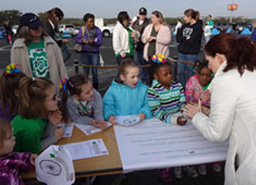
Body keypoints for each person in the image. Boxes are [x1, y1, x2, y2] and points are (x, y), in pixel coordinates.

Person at [183, 33, 256, 185]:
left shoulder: (224, 81)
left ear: (219, 58)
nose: (209, 66)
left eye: (209, 61)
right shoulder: (251, 71)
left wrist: (196, 115)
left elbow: (217, 134)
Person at [11, 13, 67, 89]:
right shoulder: (18, 47)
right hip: (31, 91)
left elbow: (61, 66)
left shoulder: (51, 42)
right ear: (25, 29)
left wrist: (64, 85)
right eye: (34, 27)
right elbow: (16, 72)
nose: (39, 29)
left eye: (40, 26)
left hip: (51, 88)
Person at [12, 77, 64, 154]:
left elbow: (39, 137)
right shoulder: (31, 127)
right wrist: (54, 137)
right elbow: (33, 151)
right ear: (39, 103)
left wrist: (51, 123)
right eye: (53, 98)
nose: (57, 99)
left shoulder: (38, 115)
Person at [103, 58, 152, 124]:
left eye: (138, 76)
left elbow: (150, 103)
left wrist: (144, 113)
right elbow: (107, 105)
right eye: (132, 77)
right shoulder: (113, 90)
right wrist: (110, 115)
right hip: (119, 124)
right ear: (123, 77)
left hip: (141, 124)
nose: (136, 80)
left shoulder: (144, 89)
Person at [147, 57, 187, 125]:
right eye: (165, 75)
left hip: (178, 116)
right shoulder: (153, 91)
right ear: (156, 76)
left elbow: (182, 104)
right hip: (161, 121)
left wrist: (185, 114)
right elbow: (157, 111)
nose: (169, 76)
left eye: (171, 73)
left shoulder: (178, 86)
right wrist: (173, 120)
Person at [0, 118, 37, 185]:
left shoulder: (4, 156)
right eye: (9, 137)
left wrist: (28, 158)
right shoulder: (3, 178)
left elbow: (13, 158)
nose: (14, 138)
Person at [141, 11, 171, 85]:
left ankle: (160, 88)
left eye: (153, 17)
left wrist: (156, 38)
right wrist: (146, 39)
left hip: (160, 55)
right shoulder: (149, 27)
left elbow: (167, 40)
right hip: (150, 54)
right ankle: (151, 89)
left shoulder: (165, 28)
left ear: (159, 18)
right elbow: (143, 38)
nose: (151, 19)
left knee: (159, 73)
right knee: (150, 73)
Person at [176, 9, 203, 88]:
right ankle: (183, 88)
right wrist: (185, 39)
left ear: (190, 17)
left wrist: (184, 39)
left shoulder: (198, 27)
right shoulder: (184, 26)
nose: (184, 18)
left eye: (185, 16)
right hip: (181, 52)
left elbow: (192, 41)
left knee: (190, 73)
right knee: (180, 72)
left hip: (191, 54)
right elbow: (178, 38)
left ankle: (190, 89)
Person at [76, 13, 102, 90]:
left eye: (93, 21)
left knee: (95, 72)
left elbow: (100, 42)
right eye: (90, 22)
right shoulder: (82, 29)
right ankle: (86, 88)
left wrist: (93, 42)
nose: (92, 23)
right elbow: (77, 40)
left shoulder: (98, 30)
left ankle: (95, 89)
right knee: (85, 72)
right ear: (86, 22)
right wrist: (82, 41)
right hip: (85, 52)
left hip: (95, 53)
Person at [131, 7, 150, 83]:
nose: (142, 16)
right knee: (137, 63)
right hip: (136, 45)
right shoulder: (135, 22)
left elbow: (146, 33)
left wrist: (138, 35)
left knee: (143, 63)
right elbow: (131, 29)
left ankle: (145, 79)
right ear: (139, 14)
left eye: (144, 14)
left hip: (143, 45)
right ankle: (139, 79)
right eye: (141, 14)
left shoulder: (148, 22)